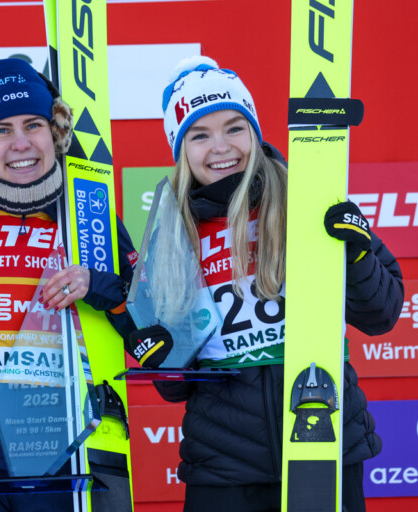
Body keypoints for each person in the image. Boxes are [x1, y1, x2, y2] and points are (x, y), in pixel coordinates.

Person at [123, 56, 403, 512]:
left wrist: (356, 253)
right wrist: (159, 357)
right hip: (225, 468)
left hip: (324, 438)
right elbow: (175, 384)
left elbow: (383, 313)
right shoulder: (171, 235)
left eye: (235, 127)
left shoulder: (310, 197)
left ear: (254, 130)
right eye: (199, 135)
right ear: (180, 148)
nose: (220, 147)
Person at [0, 58, 136, 512]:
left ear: (55, 132)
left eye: (33, 125)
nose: (21, 144)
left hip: (64, 453)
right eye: (1, 130)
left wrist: (97, 284)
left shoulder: (90, 217)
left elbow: (150, 334)